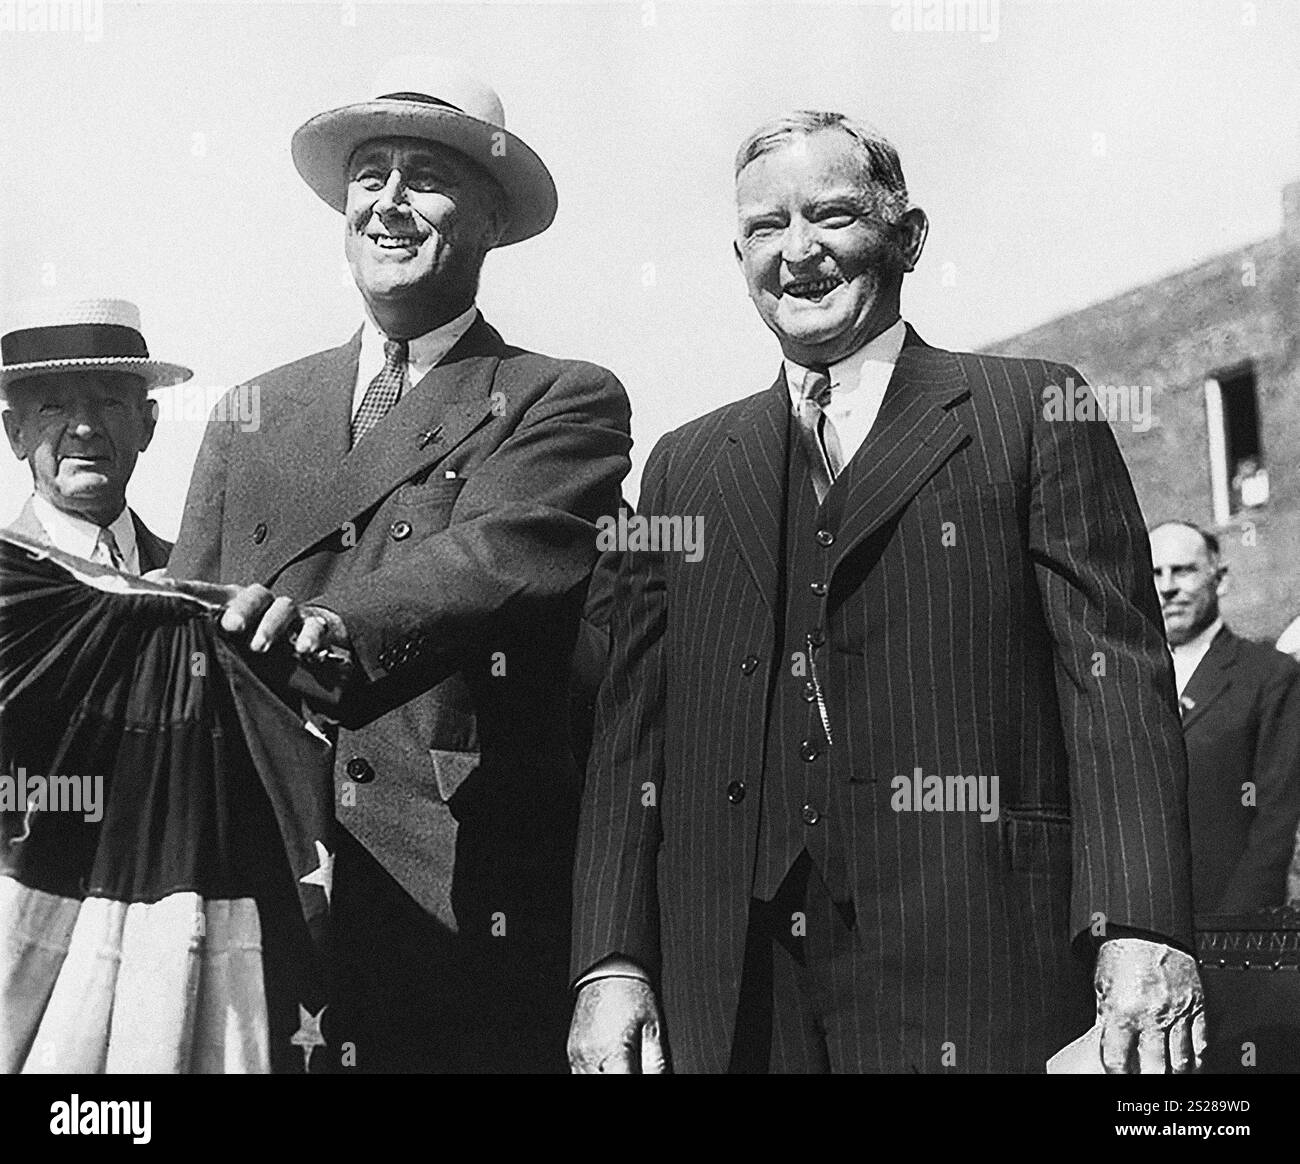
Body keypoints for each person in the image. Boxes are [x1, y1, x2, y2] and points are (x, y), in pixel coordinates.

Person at [569, 110, 1203, 1074]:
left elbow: (1114, 684)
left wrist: (1142, 926)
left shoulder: (1028, 412)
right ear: (736, 254)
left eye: (831, 215)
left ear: (907, 236)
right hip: (735, 985)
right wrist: (611, 961)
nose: (799, 253)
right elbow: (631, 732)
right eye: (766, 229)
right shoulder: (683, 466)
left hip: (982, 956)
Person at [168, 59, 631, 1072]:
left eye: (424, 177)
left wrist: (331, 629)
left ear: (492, 219)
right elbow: (188, 639)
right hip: (269, 892)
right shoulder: (251, 413)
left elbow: (489, 564)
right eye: (368, 175)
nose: (388, 202)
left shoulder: (557, 400)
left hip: (460, 912)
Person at [1149, 520, 1300, 914]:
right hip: (1140, 928)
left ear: (1220, 579)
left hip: (1224, 926)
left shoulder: (1268, 676)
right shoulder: (1127, 679)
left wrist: (1231, 930)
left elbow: (1275, 822)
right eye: (1155, 573)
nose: (1167, 587)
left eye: (1184, 570)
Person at [1, 298, 187, 574]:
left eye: (109, 402)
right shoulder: (8, 578)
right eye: (53, 407)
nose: (84, 429)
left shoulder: (198, 579)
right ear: (16, 433)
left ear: (147, 424)